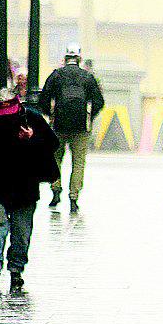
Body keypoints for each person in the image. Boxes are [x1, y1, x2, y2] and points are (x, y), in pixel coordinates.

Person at [0, 88, 60, 289]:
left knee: (22, 231)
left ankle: (16, 268)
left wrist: (33, 137)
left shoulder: (32, 119)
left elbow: (53, 143)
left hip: (25, 184)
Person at [39, 45, 105, 213]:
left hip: (58, 125)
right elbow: (99, 102)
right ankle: (74, 197)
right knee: (78, 162)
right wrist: (89, 116)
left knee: (56, 158)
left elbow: (44, 99)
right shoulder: (87, 77)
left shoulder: (56, 75)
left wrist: (51, 115)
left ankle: (56, 189)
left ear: (65, 58)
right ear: (79, 59)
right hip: (81, 127)